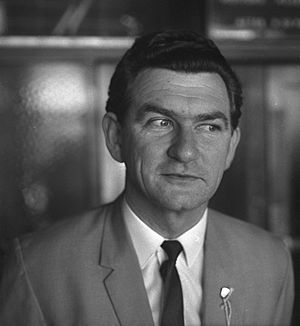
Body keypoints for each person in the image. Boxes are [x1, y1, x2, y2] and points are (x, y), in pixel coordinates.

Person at [0, 30, 294, 326]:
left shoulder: (270, 262)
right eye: (161, 122)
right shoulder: (38, 269)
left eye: (209, 127)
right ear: (116, 137)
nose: (185, 152)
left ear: (231, 146)